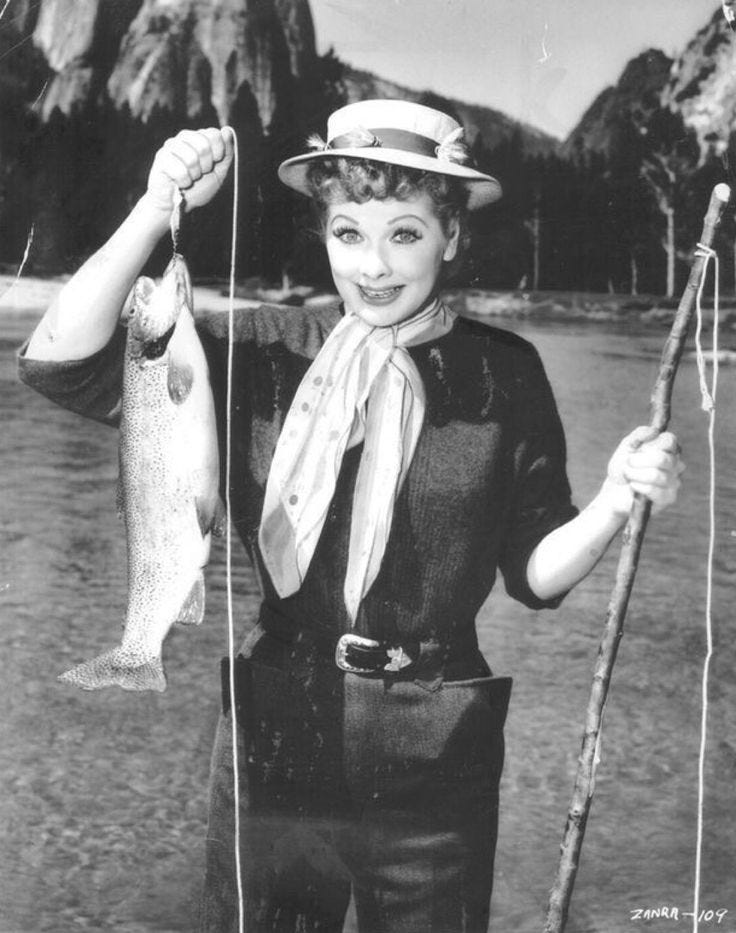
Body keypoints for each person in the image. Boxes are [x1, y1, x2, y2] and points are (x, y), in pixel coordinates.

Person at [19, 99, 684, 932]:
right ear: (324, 233)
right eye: (348, 234)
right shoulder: (261, 348)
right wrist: (157, 211)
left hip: (438, 761)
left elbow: (536, 575)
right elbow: (55, 364)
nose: (373, 265)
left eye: (404, 234)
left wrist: (620, 498)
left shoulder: (506, 375)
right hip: (273, 740)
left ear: (452, 234)